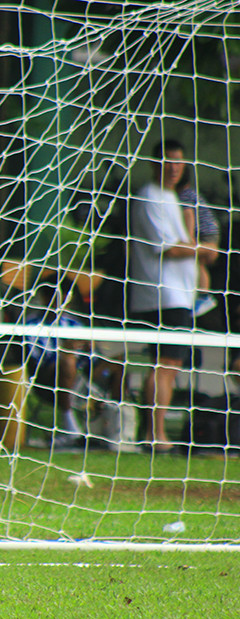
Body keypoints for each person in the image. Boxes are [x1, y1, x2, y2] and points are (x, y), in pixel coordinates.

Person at [129, 139, 198, 452]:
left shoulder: (173, 198)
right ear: (154, 163)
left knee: (168, 365)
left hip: (179, 295)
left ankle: (152, 433)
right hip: (161, 296)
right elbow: (167, 248)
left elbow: (184, 242)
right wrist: (204, 250)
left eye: (179, 161)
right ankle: (155, 435)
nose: (173, 168)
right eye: (168, 161)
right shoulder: (149, 197)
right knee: (165, 364)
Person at [23, 277, 132, 452]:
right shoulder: (32, 325)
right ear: (44, 298)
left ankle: (115, 425)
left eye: (64, 296)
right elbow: (36, 361)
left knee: (117, 362)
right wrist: (67, 349)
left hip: (84, 374)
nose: (59, 301)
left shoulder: (74, 323)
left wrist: (91, 347)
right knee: (67, 360)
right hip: (49, 380)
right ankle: (69, 427)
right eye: (54, 296)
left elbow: (94, 358)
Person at [176, 166, 221, 323]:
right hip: (210, 231)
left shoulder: (184, 195)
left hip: (205, 234)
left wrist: (190, 240)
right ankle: (202, 295)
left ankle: (203, 296)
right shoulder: (191, 193)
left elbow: (189, 215)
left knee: (198, 261)